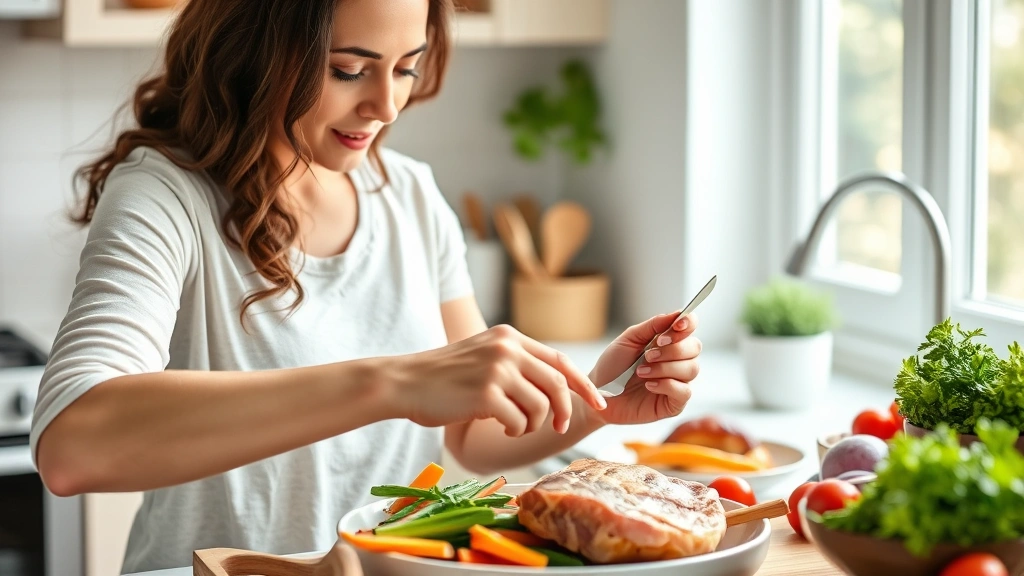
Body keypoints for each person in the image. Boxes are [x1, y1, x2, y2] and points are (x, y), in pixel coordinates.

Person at [29, 0, 703, 572]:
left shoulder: (409, 195)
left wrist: (594, 399)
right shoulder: (164, 195)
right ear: (259, 49)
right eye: (348, 69)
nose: (386, 104)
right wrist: (394, 383)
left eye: (406, 66)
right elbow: (72, 442)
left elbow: (473, 433)